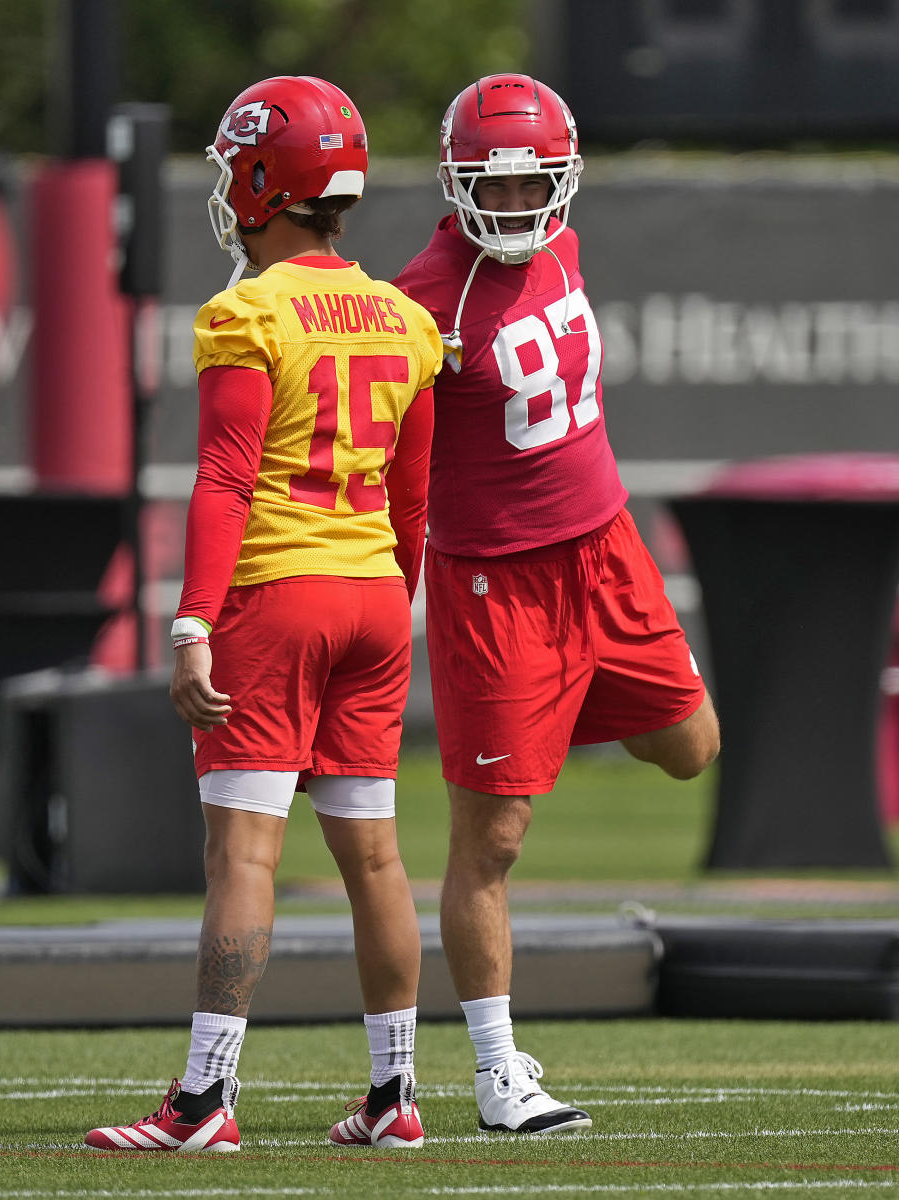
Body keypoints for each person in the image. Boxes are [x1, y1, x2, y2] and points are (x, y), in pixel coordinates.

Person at [85, 75, 442, 1153]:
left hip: (276, 600)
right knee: (374, 860)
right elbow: (415, 501)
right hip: (376, 598)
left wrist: (192, 622)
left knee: (242, 855)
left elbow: (226, 480)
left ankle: (204, 1100)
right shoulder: (409, 320)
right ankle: (393, 1097)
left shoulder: (246, 312)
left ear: (260, 179)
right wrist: (393, 610)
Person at [393, 73, 720, 1135]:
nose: (522, 203)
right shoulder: (421, 304)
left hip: (607, 550)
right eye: (502, 183)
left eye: (539, 181)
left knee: (691, 745)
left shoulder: (562, 251)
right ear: (453, 183)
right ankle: (497, 1075)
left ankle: (549, 710)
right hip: (496, 583)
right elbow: (384, 455)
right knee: (491, 839)